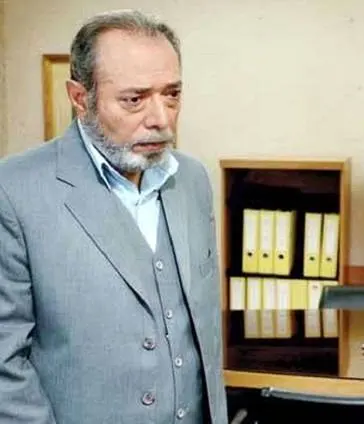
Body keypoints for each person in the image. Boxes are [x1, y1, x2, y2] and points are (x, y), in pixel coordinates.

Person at [0, 9, 227, 424]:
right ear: (79, 97)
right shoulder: (13, 192)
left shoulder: (193, 180)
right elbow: (4, 366)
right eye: (134, 99)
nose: (161, 119)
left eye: (172, 94)